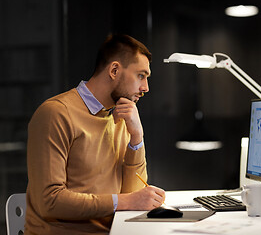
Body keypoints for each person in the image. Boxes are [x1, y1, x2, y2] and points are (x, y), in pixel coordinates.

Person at [25, 34, 165, 234]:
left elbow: (134, 194)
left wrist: (136, 138)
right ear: (114, 70)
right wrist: (124, 201)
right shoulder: (55, 113)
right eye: (141, 76)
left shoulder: (122, 115)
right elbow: (49, 201)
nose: (145, 88)